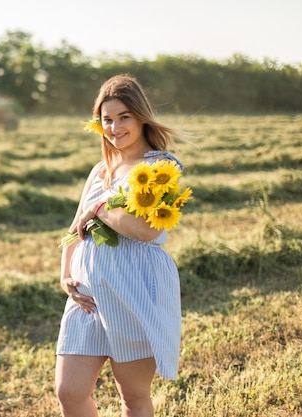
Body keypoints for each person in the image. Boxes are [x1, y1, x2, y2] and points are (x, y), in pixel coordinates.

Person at [55, 74, 187, 417]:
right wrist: (65, 273)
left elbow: (143, 231)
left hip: (135, 287)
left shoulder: (160, 168)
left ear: (141, 116)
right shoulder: (101, 170)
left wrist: (99, 208)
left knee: (132, 395)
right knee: (69, 392)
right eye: (107, 120)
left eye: (123, 117)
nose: (114, 127)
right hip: (87, 295)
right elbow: (75, 227)